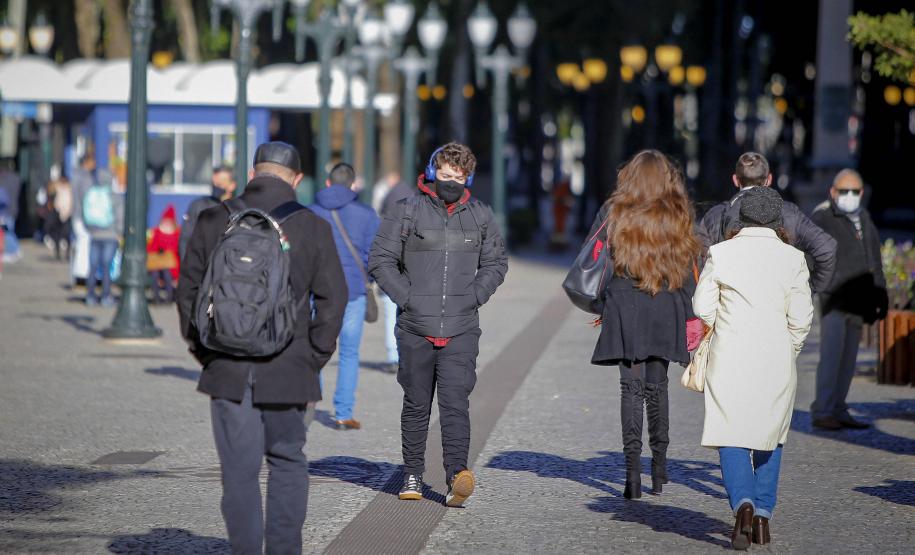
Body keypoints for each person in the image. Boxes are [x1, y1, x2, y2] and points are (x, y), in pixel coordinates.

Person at [177, 142, 347, 554]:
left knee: (239, 473)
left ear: (252, 173)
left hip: (228, 368)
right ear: (297, 179)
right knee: (288, 462)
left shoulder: (214, 218)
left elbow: (188, 293)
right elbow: (334, 298)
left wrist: (208, 353)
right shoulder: (312, 226)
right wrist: (314, 356)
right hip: (289, 368)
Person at [369, 142, 508, 507]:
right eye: (444, 175)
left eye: (457, 177)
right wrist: (408, 298)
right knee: (416, 404)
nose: (450, 181)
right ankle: (413, 473)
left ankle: (456, 476)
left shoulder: (480, 215)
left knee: (455, 404)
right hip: (415, 326)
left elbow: (496, 262)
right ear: (431, 173)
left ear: (468, 178)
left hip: (461, 326)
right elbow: (380, 260)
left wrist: (475, 295)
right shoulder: (406, 211)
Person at [693, 186, 814, 550]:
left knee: (731, 434)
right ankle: (762, 515)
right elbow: (802, 317)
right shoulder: (793, 259)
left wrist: (723, 324)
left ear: (740, 219)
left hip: (730, 355)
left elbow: (701, 306)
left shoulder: (721, 253)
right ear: (778, 222)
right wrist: (789, 346)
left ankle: (742, 503)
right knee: (771, 434)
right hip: (776, 357)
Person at [589, 150, 702, 499]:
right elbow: (688, 267)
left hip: (625, 303)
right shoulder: (679, 213)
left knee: (631, 389)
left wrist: (602, 305)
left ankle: (631, 474)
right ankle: (659, 468)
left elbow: (597, 261)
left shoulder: (615, 212)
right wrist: (692, 316)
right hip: (666, 303)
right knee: (658, 385)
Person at [810, 169, 887, 430]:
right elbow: (813, 257)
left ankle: (839, 407)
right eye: (845, 191)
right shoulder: (822, 217)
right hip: (834, 300)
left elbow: (873, 258)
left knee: (848, 359)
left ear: (862, 193)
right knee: (831, 357)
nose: (850, 196)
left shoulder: (863, 217)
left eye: (855, 191)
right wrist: (823, 286)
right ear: (833, 192)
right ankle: (823, 409)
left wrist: (880, 293)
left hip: (859, 300)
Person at [697, 152, 837, 293]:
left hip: (731, 307)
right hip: (779, 306)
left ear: (735, 179)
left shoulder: (715, 216)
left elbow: (703, 266)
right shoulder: (789, 212)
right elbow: (827, 249)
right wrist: (808, 289)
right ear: (769, 179)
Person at [308, 162, 380, 430]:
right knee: (349, 353)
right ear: (353, 185)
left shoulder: (311, 211)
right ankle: (343, 413)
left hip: (319, 290)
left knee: (316, 347)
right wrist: (368, 280)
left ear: (327, 183)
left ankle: (309, 404)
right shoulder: (367, 214)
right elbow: (375, 255)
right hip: (353, 290)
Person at [378, 173, 415, 373]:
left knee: (390, 313)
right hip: (409, 277)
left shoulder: (386, 225)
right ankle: (406, 355)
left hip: (391, 274)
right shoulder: (417, 219)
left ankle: (393, 356)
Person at [179, 164, 236, 261]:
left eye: (220, 184)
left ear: (232, 186)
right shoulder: (199, 206)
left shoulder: (237, 208)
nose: (216, 187)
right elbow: (186, 239)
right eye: (213, 184)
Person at [83, 172, 123, 306]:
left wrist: (90, 229)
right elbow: (120, 216)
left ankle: (90, 296)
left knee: (93, 267)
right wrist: (119, 231)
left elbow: (85, 213)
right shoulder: (114, 196)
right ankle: (106, 296)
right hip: (110, 235)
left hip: (94, 234)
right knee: (107, 267)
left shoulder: (91, 194)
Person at [147, 204, 181, 304]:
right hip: (158, 262)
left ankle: (168, 297)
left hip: (171, 264)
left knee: (167, 273)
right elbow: (151, 248)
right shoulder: (156, 232)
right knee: (154, 273)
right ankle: (156, 297)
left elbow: (177, 250)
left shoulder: (177, 233)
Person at [45, 171, 73, 261]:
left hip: (68, 213)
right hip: (58, 213)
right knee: (57, 234)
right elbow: (50, 190)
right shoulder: (57, 186)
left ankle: (67, 254)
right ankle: (58, 253)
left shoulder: (70, 188)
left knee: (67, 234)